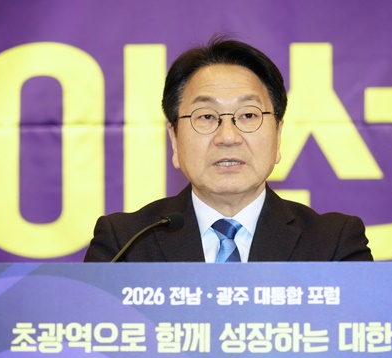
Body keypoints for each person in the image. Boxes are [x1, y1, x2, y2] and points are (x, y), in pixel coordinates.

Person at [84, 36, 372, 263]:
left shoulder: (333, 243)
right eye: (206, 117)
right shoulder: (126, 243)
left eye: (248, 115)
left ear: (278, 134)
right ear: (174, 138)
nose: (228, 137)